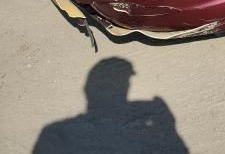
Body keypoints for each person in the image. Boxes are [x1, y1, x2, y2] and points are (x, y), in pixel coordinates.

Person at [33, 58, 188, 154]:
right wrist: (168, 128)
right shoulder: (54, 134)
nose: (124, 86)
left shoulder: (53, 133)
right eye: (121, 83)